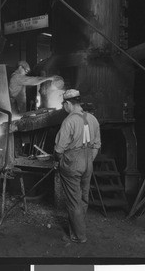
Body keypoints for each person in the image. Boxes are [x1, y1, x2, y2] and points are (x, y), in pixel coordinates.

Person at [54, 89, 101, 243]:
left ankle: (78, 235)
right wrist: (89, 160)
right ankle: (79, 227)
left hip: (72, 163)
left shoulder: (69, 121)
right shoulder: (93, 119)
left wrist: (60, 161)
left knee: (74, 200)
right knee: (83, 197)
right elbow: (97, 145)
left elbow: (59, 149)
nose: (63, 108)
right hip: (88, 162)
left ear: (68, 103)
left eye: (64, 105)